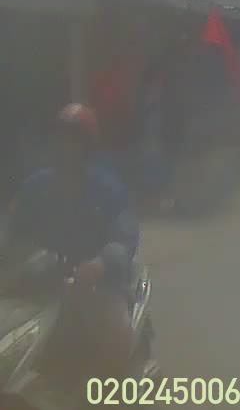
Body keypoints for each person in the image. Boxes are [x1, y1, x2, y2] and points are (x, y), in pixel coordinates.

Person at [3, 104, 139, 368]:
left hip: (96, 286)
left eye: (74, 140)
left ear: (87, 147)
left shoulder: (109, 190)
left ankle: (114, 391)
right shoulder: (35, 187)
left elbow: (124, 238)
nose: (65, 146)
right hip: (41, 281)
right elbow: (13, 230)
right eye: (61, 138)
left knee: (117, 333)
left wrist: (99, 264)